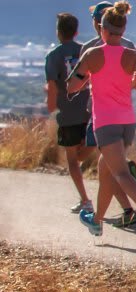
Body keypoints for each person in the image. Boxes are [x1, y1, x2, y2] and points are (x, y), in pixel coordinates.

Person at [66, 1, 136, 239]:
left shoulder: (92, 54)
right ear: (123, 30)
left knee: (120, 173)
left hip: (105, 122)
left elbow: (72, 85)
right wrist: (134, 79)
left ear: (102, 29)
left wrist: (90, 78)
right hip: (127, 122)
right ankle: (97, 221)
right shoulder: (133, 56)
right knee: (105, 170)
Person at [81, 1, 136, 227]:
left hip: (102, 116)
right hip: (124, 115)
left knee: (111, 168)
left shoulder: (90, 49)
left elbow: (81, 81)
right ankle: (109, 216)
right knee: (107, 166)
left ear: (98, 23)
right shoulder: (129, 47)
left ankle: (132, 207)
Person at [45, 12, 94, 215]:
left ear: (58, 32)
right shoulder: (86, 51)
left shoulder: (53, 56)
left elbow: (52, 86)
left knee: (72, 159)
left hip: (69, 114)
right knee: (93, 148)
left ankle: (85, 200)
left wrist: (51, 106)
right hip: (91, 111)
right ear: (76, 31)